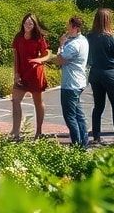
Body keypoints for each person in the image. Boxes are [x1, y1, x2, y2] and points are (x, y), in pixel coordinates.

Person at [31, 15, 88, 147]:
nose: (66, 28)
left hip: (71, 84)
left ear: (74, 27)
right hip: (79, 82)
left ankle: (77, 145)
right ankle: (83, 143)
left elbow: (59, 60)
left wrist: (61, 45)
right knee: (78, 114)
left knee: (70, 116)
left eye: (68, 25)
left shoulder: (73, 45)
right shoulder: (83, 40)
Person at [86, 7, 114, 145]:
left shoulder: (89, 36)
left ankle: (96, 137)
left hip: (96, 73)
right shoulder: (110, 38)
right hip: (111, 73)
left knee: (98, 106)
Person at [9, 12, 49, 141]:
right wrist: (16, 74)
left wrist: (40, 60)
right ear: (23, 23)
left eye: (31, 23)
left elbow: (46, 53)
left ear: (34, 24)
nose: (28, 24)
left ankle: (39, 132)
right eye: (26, 22)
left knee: (38, 102)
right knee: (15, 101)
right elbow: (16, 57)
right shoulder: (18, 37)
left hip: (35, 73)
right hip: (21, 74)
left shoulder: (39, 38)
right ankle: (15, 133)